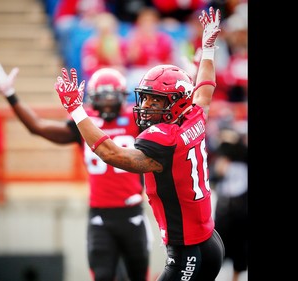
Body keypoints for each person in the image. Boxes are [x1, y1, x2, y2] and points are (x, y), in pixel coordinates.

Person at [53, 6, 225, 281]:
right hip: (209, 241)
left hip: (188, 252)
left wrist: (76, 110)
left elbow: (111, 153)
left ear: (174, 102)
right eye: (145, 98)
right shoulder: (194, 114)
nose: (145, 106)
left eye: (154, 100)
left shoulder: (163, 139)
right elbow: (205, 88)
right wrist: (208, 49)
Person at [0, 64, 152, 281]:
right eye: (102, 97)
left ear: (122, 97)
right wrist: (10, 95)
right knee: (102, 276)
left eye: (112, 97)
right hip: (100, 216)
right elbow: (37, 126)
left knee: (139, 277)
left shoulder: (136, 120)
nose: (107, 102)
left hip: (133, 214)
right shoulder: (85, 123)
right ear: (93, 98)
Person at [212, 128, 248, 281]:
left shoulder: (243, 156)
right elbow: (213, 179)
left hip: (242, 209)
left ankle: (235, 278)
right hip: (224, 208)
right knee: (218, 248)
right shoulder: (220, 158)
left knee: (241, 249)